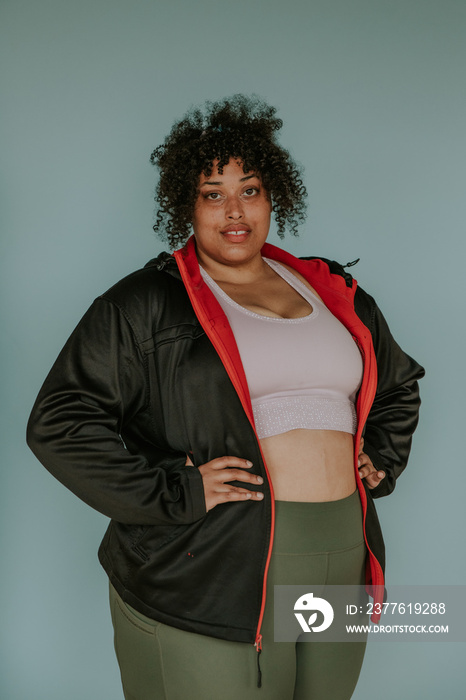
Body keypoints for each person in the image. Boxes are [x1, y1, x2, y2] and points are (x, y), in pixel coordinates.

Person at [27, 95, 424, 700]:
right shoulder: (145, 303)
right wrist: (173, 490)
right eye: (213, 193)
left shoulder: (332, 290)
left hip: (342, 549)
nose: (234, 211)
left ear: (274, 197)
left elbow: (396, 383)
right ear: (186, 205)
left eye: (251, 190)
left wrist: (382, 457)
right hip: (213, 561)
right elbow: (59, 420)